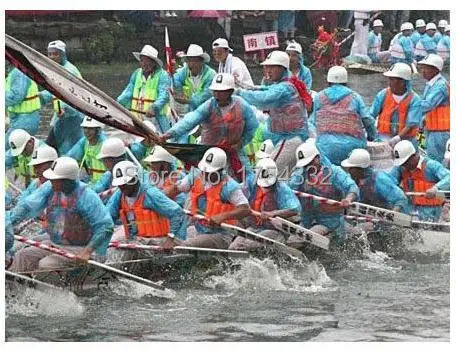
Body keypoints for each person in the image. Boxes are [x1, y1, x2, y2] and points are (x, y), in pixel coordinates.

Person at [8, 157, 114, 272]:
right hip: (55, 243)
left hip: (79, 249)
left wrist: (87, 252)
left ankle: (43, 287)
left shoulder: (86, 196)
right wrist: (9, 222)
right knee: (22, 256)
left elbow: (105, 226)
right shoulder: (50, 187)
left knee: (46, 264)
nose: (50, 181)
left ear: (67, 180)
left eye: (54, 179)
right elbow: (27, 206)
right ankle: (16, 285)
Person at [158, 73, 258, 182]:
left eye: (221, 92)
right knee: (196, 181)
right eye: (215, 91)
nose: (216, 95)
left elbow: (252, 127)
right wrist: (169, 134)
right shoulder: (208, 106)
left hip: (233, 151)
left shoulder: (241, 105)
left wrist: (241, 143)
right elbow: (190, 120)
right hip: (208, 152)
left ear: (230, 92)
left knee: (249, 179)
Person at [235, 51, 311, 175]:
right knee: (281, 180)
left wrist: (239, 93)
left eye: (272, 67)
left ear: (282, 68)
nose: (268, 70)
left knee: (265, 175)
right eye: (266, 67)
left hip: (290, 140)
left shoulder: (285, 88)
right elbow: (263, 89)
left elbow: (264, 98)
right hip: (284, 139)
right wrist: (242, 86)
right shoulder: (282, 84)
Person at [164, 147, 251, 249]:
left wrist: (222, 216)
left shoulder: (230, 186)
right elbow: (175, 189)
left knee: (183, 246)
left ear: (220, 170)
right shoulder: (195, 176)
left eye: (210, 171)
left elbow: (245, 209)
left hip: (220, 235)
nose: (205, 174)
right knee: (170, 239)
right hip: (198, 229)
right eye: (204, 170)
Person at [289, 142, 359, 245]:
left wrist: (348, 199)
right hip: (307, 220)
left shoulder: (335, 172)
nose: (308, 167)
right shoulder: (299, 174)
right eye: (305, 165)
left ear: (317, 157)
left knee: (301, 239)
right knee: (292, 241)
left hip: (329, 222)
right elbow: (289, 191)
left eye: (310, 163)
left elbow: (352, 187)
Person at [106, 161, 187, 249]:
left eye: (125, 184)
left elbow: (178, 213)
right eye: (120, 185)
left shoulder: (150, 194)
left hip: (159, 240)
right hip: (135, 240)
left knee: (129, 249)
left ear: (135, 179)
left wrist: (171, 238)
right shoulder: (119, 194)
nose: (123, 188)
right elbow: (107, 217)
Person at [309, 66, 377, 166]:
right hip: (352, 148)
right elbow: (367, 120)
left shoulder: (319, 97)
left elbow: (314, 121)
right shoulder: (355, 97)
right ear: (346, 82)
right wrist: (372, 137)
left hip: (325, 148)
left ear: (328, 82)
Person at [229, 158, 301, 250]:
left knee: (247, 245)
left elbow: (295, 209)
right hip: (255, 227)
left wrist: (273, 213)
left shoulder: (282, 189)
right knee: (233, 247)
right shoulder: (251, 182)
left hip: (275, 230)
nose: (266, 187)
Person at [40, 40, 85, 155]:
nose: (52, 57)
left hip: (73, 116)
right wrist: (40, 97)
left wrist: (66, 109)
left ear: (63, 54)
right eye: (49, 54)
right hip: (61, 116)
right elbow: (55, 91)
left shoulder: (69, 71)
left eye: (55, 54)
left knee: (71, 148)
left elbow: (74, 94)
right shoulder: (55, 70)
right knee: (66, 148)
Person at [390, 140, 449, 221]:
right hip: (409, 211)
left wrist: (436, 188)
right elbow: (389, 181)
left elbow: (450, 177)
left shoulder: (431, 165)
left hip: (431, 212)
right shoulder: (400, 168)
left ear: (414, 156)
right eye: (402, 163)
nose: (404, 165)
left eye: (405, 162)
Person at [117, 45, 171, 134]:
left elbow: (164, 95)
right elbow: (128, 92)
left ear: (154, 63)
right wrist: (118, 102)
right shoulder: (136, 74)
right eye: (142, 60)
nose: (144, 64)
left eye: (147, 61)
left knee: (161, 142)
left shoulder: (163, 76)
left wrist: (154, 107)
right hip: (137, 118)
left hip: (156, 119)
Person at [369, 63, 422, 148]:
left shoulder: (414, 99)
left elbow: (411, 124)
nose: (389, 82)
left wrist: (397, 138)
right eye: (389, 79)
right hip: (383, 137)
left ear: (402, 81)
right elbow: (371, 115)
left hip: (406, 140)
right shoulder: (382, 94)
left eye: (392, 79)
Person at [341, 149, 408, 211]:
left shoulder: (380, 179)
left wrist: (391, 217)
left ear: (360, 168)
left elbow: (401, 199)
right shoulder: (354, 180)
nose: (349, 170)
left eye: (351, 168)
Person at [417, 54, 449, 162]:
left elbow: (428, 105)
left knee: (435, 162)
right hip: (433, 129)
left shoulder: (440, 86)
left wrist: (409, 104)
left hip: (441, 132)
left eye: (425, 67)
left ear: (435, 69)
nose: (422, 70)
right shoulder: (431, 84)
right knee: (431, 159)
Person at [172, 44, 216, 114]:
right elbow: (175, 80)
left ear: (202, 62)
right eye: (189, 61)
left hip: (207, 112)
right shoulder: (184, 71)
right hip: (190, 112)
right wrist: (178, 91)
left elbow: (206, 96)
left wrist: (188, 100)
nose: (191, 64)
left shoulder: (211, 75)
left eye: (195, 61)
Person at [5, 65, 41, 150]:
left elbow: (16, 96)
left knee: (7, 149)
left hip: (24, 120)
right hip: (23, 119)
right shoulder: (16, 71)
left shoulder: (18, 72)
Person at [66, 116, 107, 184]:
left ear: (98, 130)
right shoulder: (84, 141)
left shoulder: (105, 144)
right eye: (85, 128)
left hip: (105, 182)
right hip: (90, 181)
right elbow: (70, 157)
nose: (87, 132)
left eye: (91, 129)